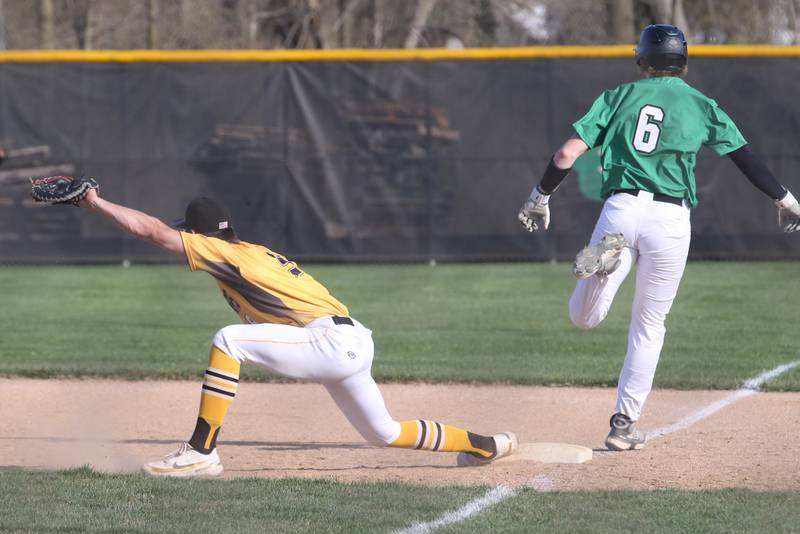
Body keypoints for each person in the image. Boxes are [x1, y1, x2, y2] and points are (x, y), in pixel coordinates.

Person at [76, 189, 517, 476]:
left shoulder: (222, 254)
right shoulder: (249, 251)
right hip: (350, 340)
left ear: (198, 235)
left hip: (329, 341)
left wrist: (96, 202)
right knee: (382, 432)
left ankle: (201, 451)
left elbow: (153, 232)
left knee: (228, 340)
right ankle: (482, 444)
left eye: (187, 234)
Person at [517, 24, 800, 451]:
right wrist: (788, 201)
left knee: (585, 318)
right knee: (648, 327)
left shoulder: (618, 97)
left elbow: (565, 155)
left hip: (621, 208)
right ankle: (622, 424)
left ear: (642, 60)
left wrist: (539, 195)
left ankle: (605, 260)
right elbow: (746, 159)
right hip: (670, 217)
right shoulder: (701, 104)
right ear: (683, 61)